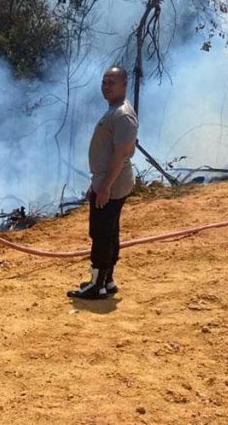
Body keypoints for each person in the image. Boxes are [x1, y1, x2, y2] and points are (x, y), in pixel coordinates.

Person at [67, 66, 138, 300]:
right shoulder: (115, 111)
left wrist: (105, 186)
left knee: (101, 233)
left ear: (124, 84)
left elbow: (122, 154)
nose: (106, 87)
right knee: (109, 231)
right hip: (107, 181)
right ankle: (107, 281)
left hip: (113, 183)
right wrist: (96, 183)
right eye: (104, 82)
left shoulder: (123, 115)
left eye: (111, 82)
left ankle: (96, 285)